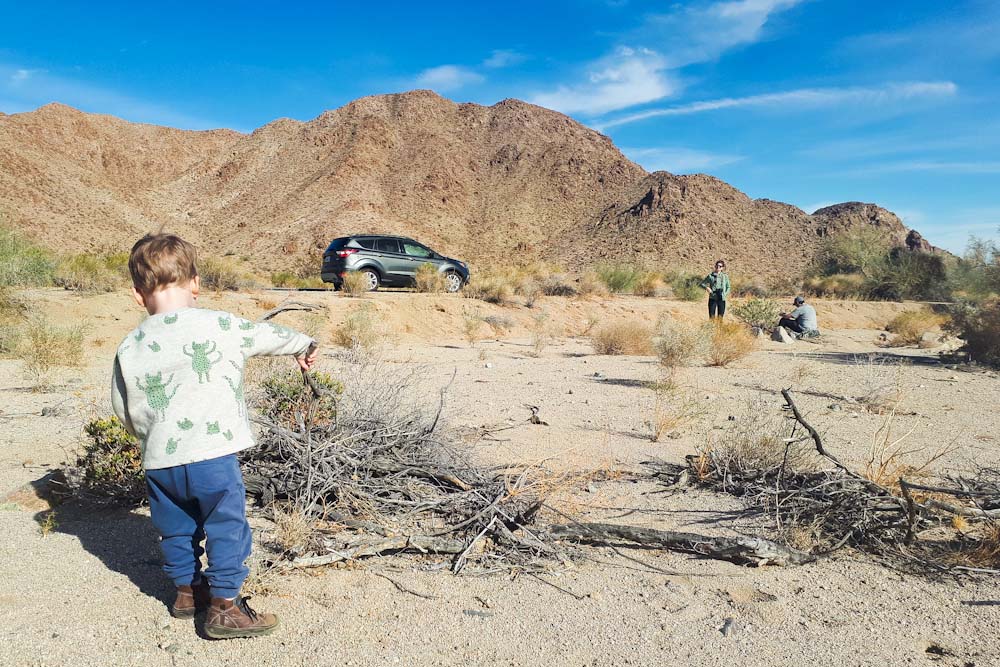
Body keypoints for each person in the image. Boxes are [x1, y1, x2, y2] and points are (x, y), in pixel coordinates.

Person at [111, 233, 318, 639]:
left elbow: (122, 404)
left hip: (160, 462)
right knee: (227, 525)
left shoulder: (129, 345)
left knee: (175, 528)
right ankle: (224, 605)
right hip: (213, 457)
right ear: (195, 284)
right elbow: (269, 336)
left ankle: (187, 594)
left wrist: (148, 436)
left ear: (138, 296)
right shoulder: (220, 324)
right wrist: (304, 344)